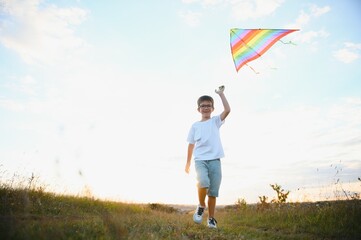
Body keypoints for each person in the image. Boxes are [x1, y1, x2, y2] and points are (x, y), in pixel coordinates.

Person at [185, 85, 231, 229]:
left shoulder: (215, 121)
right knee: (203, 181)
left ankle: (211, 219)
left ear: (212, 108)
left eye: (208, 106)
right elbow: (191, 145)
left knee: (213, 192)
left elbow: (228, 110)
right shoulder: (194, 126)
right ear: (198, 109)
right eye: (203, 106)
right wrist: (187, 163)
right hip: (200, 160)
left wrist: (221, 94)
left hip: (215, 160)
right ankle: (201, 205)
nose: (206, 108)